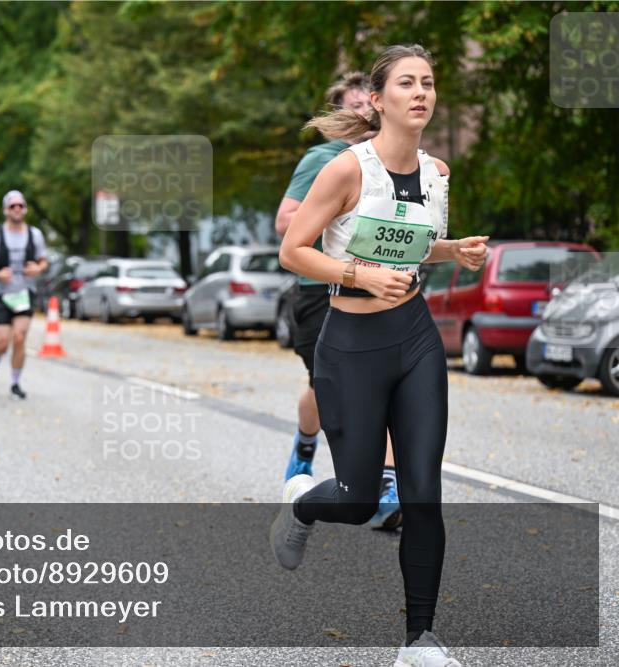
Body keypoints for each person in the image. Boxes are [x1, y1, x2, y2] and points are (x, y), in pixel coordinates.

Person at [273, 44, 488, 666]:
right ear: (378, 99)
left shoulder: (437, 173)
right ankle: (305, 504)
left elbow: (419, 247)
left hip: (415, 340)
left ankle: (419, 640)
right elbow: (293, 249)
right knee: (360, 497)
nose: (421, 92)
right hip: (351, 344)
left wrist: (457, 253)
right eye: (406, 83)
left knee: (421, 489)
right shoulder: (344, 170)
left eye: (429, 83)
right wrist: (360, 276)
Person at [276, 72, 402, 530]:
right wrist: (337, 209)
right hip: (319, 294)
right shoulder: (325, 158)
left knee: (381, 387)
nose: (367, 113)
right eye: (356, 107)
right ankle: (306, 446)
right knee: (325, 388)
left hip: (375, 293)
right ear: (340, 114)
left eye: (372, 104)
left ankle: (388, 487)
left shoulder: (396, 163)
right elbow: (285, 225)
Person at [0, 190, 48, 399]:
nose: (17, 209)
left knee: (19, 338)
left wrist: (38, 269)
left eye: (21, 205)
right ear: (5, 210)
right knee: (1, 342)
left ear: (25, 209)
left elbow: (43, 261)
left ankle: (15, 383)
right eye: (13, 206)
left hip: (24, 293)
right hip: (1, 294)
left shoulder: (34, 234)